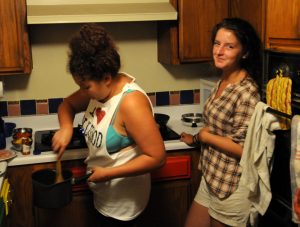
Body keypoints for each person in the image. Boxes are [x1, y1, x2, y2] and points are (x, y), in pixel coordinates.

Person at [51, 23, 166, 227]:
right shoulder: (99, 89)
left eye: (85, 87)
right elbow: (67, 105)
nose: (82, 92)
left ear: (106, 78)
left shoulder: (130, 103)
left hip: (125, 206)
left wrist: (108, 173)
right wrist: (66, 127)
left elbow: (157, 158)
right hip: (103, 196)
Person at [180, 18, 262, 227]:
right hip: (212, 177)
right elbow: (217, 128)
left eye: (229, 46)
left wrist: (206, 136)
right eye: (217, 43)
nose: (219, 51)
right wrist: (197, 139)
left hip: (232, 185)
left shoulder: (247, 92)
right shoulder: (223, 80)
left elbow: (244, 149)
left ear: (244, 52)